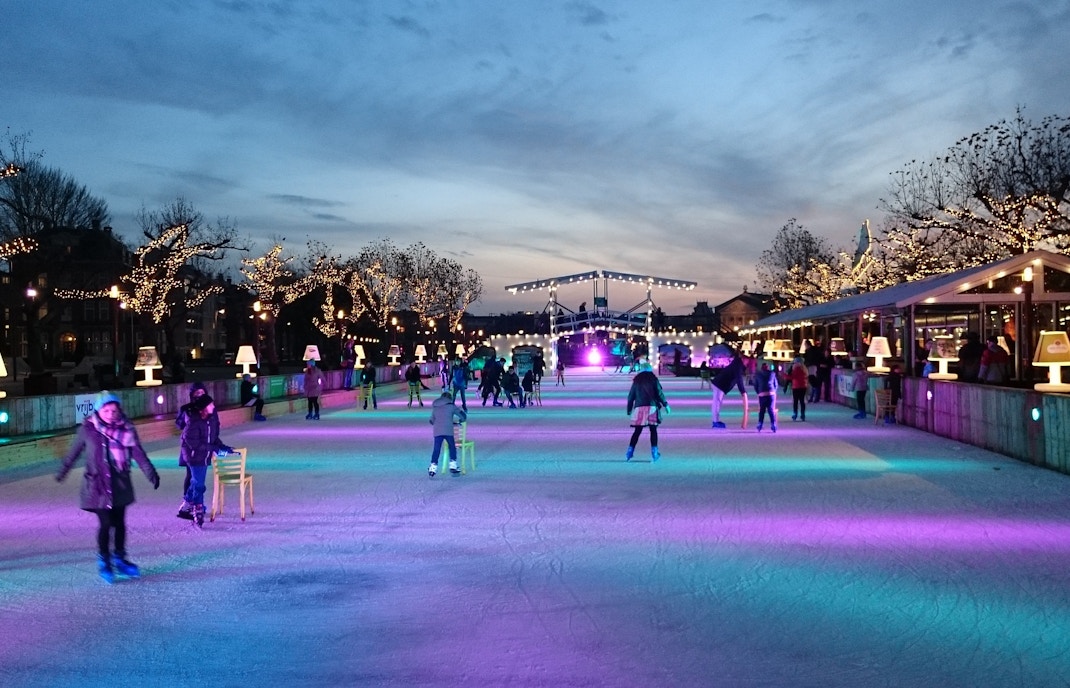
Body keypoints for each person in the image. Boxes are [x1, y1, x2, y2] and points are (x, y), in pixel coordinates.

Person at [56, 391, 160, 583]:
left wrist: (151, 473)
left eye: (114, 409)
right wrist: (63, 471)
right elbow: (74, 452)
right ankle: (105, 560)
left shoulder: (127, 428)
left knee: (119, 523)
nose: (111, 413)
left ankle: (119, 558)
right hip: (97, 486)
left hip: (120, 484)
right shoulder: (88, 429)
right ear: (99, 410)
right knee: (106, 524)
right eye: (106, 409)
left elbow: (138, 453)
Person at [178, 394, 233, 527]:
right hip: (193, 455)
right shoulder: (193, 421)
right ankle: (197, 508)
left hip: (204, 455)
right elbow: (195, 444)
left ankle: (186, 503)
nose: (213, 406)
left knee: (196, 481)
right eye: (211, 405)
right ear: (204, 408)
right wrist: (214, 449)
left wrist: (223, 447)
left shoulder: (211, 420)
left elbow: (213, 438)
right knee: (199, 484)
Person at [175, 382, 217, 520]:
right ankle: (193, 505)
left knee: (197, 478)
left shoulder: (210, 407)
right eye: (196, 393)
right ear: (192, 395)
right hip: (191, 448)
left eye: (201, 393)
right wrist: (187, 417)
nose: (199, 395)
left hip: (204, 447)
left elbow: (215, 425)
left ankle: (190, 503)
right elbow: (180, 425)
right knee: (193, 477)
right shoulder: (188, 409)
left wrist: (215, 443)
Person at [625, 362, 669, 462]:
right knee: (653, 430)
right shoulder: (653, 379)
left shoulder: (637, 381)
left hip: (639, 408)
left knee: (637, 431)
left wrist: (629, 409)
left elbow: (631, 396)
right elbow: (659, 393)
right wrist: (666, 404)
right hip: (651, 407)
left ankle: (629, 452)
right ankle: (654, 452)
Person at [428, 390, 467, 477]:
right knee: (452, 446)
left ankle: (432, 467)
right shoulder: (451, 406)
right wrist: (460, 421)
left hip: (437, 430)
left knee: (436, 449)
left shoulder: (435, 406)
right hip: (448, 430)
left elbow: (431, 420)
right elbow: (463, 416)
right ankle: (453, 465)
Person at [710, 349, 748, 429]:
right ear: (743, 359)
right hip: (719, 384)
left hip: (721, 384)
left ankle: (716, 421)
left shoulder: (738, 364)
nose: (747, 363)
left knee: (718, 403)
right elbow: (739, 379)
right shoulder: (738, 365)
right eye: (747, 360)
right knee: (717, 403)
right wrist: (743, 391)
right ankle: (715, 421)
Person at [753, 362, 778, 432]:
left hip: (762, 394)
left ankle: (760, 424)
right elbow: (776, 384)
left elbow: (755, 386)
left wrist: (759, 392)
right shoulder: (772, 374)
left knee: (762, 410)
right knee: (771, 410)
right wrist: (773, 392)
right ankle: (773, 424)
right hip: (771, 393)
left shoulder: (758, 375)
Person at [789, 355, 808, 421]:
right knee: (802, 401)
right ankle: (802, 415)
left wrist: (785, 375)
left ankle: (795, 414)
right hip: (803, 386)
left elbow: (793, 377)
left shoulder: (797, 368)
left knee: (796, 401)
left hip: (796, 387)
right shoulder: (804, 369)